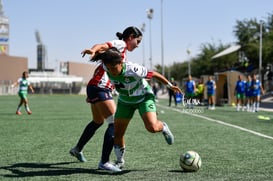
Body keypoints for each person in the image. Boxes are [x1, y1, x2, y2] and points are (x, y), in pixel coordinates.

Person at [69, 26, 143, 172]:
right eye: (138, 41)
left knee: (98, 121)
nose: (138, 45)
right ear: (130, 37)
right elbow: (102, 45)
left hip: (95, 86)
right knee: (115, 123)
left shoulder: (122, 51)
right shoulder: (121, 44)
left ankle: (77, 149)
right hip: (100, 87)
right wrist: (93, 50)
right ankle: (104, 161)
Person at [99, 47, 182, 170]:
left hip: (144, 97)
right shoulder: (106, 67)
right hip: (125, 101)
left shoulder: (133, 69)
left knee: (152, 127)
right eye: (109, 68)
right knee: (118, 134)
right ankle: (119, 161)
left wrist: (170, 86)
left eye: (114, 68)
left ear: (121, 63)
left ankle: (163, 126)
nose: (112, 71)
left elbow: (154, 74)